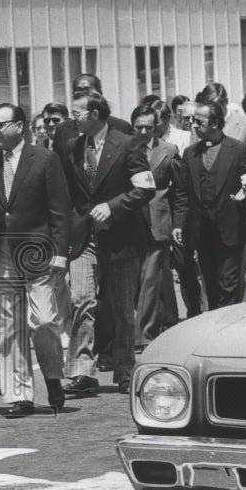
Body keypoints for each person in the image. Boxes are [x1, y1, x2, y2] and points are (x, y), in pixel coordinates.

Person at [0, 104, 71, 417]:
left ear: (19, 126)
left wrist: (60, 252)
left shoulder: (44, 158)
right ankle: (19, 395)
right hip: (0, 254)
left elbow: (60, 210)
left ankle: (53, 377)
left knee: (43, 320)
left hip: (38, 252)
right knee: (8, 328)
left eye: (1, 125)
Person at [60, 92, 154, 396]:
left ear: (96, 114)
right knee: (81, 299)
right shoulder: (74, 147)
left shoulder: (127, 144)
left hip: (121, 238)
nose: (73, 118)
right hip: (85, 237)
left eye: (78, 113)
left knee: (123, 308)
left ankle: (125, 369)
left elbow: (145, 189)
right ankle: (82, 370)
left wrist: (112, 207)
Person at [173, 101, 246, 310]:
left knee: (228, 284)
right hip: (202, 232)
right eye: (192, 120)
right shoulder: (190, 154)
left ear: (215, 123)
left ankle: (227, 330)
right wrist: (178, 224)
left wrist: (245, 194)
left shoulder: (238, 149)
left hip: (230, 229)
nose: (193, 125)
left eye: (199, 121)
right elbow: (182, 193)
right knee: (210, 284)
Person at [129, 105, 180, 348]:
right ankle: (161, 321)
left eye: (148, 127)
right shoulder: (123, 149)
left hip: (158, 222)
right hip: (130, 221)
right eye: (138, 127)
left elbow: (180, 191)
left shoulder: (169, 150)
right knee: (141, 279)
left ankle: (144, 335)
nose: (143, 131)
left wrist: (178, 223)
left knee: (150, 279)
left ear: (156, 126)